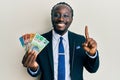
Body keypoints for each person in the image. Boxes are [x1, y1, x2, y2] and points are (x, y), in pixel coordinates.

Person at [22, 2, 99, 80]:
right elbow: (35, 72)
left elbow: (92, 69)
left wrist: (92, 54)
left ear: (71, 19)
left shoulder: (81, 40)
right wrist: (33, 67)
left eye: (65, 15)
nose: (61, 19)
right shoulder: (39, 40)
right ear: (51, 17)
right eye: (56, 15)